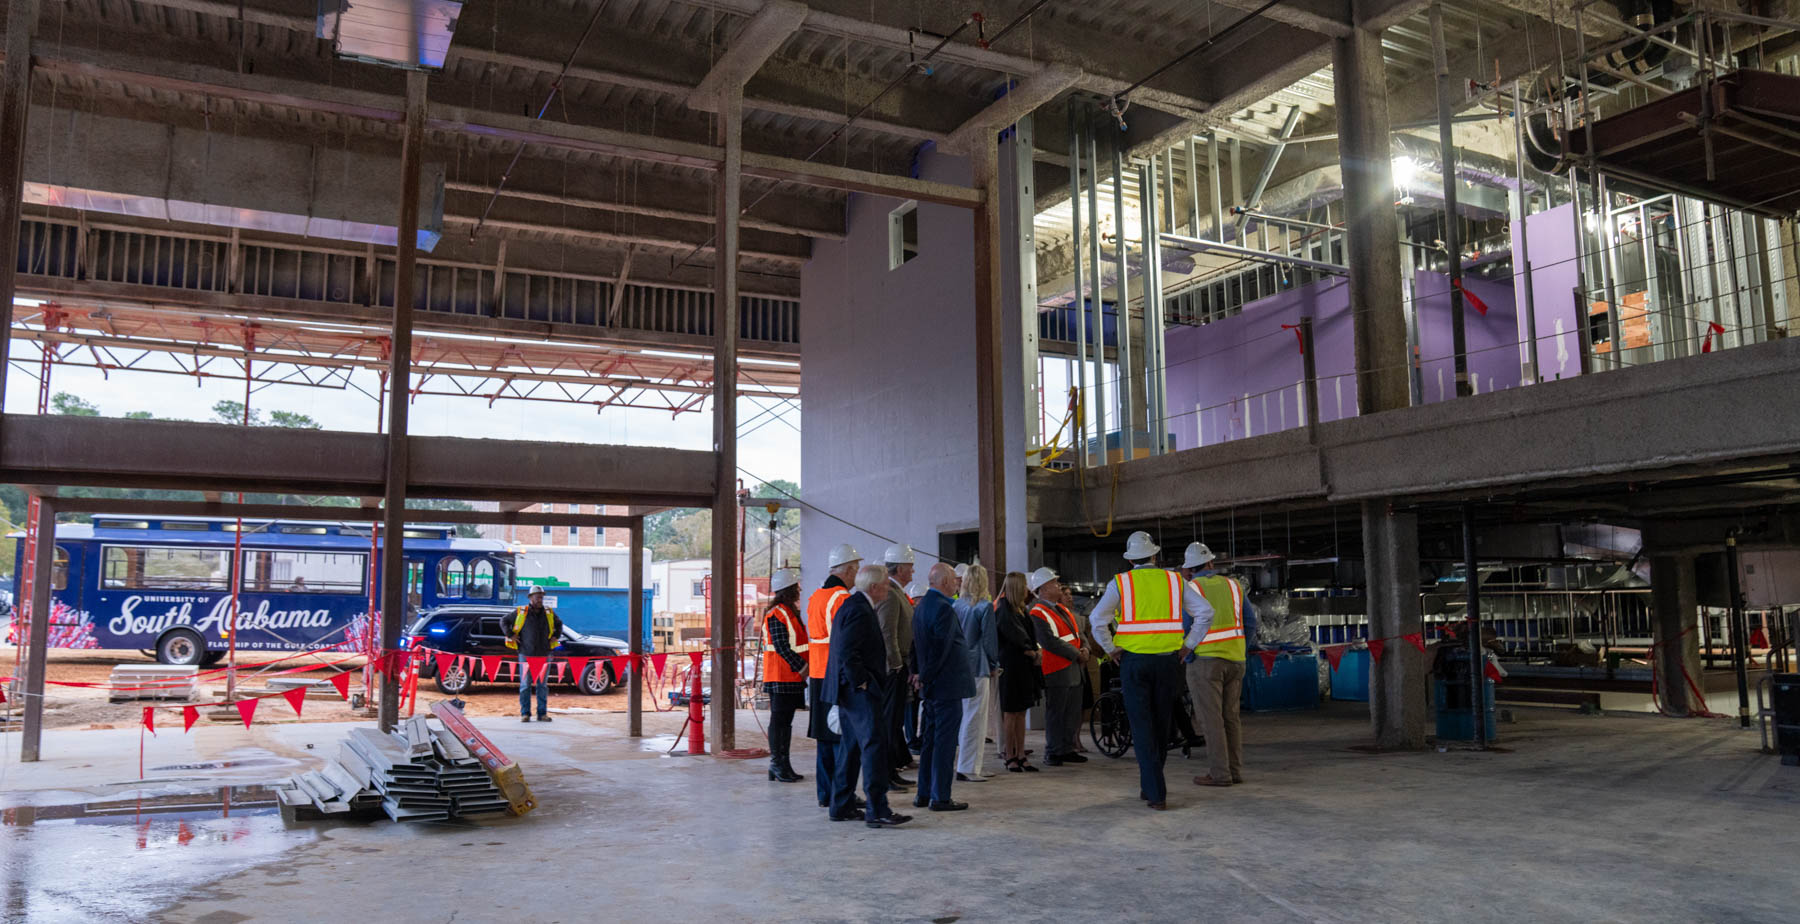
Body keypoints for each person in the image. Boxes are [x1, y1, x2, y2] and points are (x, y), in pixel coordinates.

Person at [1086, 531, 1212, 810]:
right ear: (1155, 555)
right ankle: (1150, 786)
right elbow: (1206, 613)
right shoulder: (1175, 580)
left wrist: (1110, 648)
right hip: (1168, 662)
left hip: (1133, 663)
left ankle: (1155, 792)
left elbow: (1097, 619)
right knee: (1161, 724)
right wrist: (1188, 645)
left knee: (1142, 726)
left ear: (1131, 560)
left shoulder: (1121, 583)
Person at [821, 564, 912, 829]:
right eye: (885, 584)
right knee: (873, 745)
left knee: (851, 748)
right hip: (858, 691)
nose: (888, 588)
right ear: (874, 587)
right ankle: (877, 809)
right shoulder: (859, 609)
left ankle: (842, 805)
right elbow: (848, 652)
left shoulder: (855, 605)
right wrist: (860, 682)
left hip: (850, 691)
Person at [1180, 542, 1256, 788]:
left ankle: (1220, 773)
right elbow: (1251, 622)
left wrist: (1189, 658)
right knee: (1231, 718)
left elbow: (1187, 626)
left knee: (1211, 720)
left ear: (1189, 569)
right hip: (1236, 660)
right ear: (1211, 563)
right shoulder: (1234, 586)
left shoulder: (1191, 588)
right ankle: (1235, 771)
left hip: (1206, 662)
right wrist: (1240, 648)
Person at [909, 562, 973, 811]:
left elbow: (915, 645)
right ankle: (941, 797)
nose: (957, 584)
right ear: (945, 582)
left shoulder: (923, 605)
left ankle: (923, 793)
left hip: (933, 685)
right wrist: (925, 675)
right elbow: (941, 649)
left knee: (929, 741)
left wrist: (918, 673)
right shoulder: (944, 608)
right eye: (955, 580)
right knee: (945, 744)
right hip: (946, 685)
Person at [807, 544, 863, 813]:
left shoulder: (816, 596)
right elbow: (845, 642)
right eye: (856, 570)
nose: (857, 576)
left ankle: (825, 792)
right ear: (848, 570)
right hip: (835, 674)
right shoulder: (841, 598)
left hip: (818, 674)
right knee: (842, 739)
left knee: (825, 738)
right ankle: (842, 794)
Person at [1027, 567, 1088, 767]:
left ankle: (1066, 748)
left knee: (1071, 712)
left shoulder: (1062, 609)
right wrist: (1077, 654)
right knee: (1056, 713)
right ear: (1042, 589)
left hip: (1073, 669)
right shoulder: (1037, 613)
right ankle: (1053, 751)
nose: (1058, 585)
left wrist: (1085, 648)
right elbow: (1049, 641)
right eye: (1053, 583)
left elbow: (1079, 634)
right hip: (1057, 669)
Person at [875, 544, 917, 788]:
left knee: (895, 722)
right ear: (900, 569)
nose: (913, 572)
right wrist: (897, 665)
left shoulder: (896, 592)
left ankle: (891, 770)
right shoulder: (890, 594)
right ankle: (887, 772)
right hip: (894, 669)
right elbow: (886, 632)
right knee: (890, 722)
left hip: (899, 666)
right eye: (910, 567)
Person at [762, 568, 808, 784]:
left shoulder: (787, 612)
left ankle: (782, 764)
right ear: (788, 590)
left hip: (789, 676)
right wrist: (802, 667)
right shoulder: (778, 613)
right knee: (780, 722)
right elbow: (781, 645)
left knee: (785, 722)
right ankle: (777, 764)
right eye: (796, 588)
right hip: (781, 675)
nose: (799, 591)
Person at [953, 563, 999, 783]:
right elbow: (990, 641)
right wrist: (994, 664)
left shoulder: (956, 606)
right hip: (979, 666)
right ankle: (969, 767)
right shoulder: (984, 607)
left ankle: (969, 764)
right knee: (976, 718)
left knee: (964, 717)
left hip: (959, 666)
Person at [994, 570, 1043, 773]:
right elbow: (1017, 637)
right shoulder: (1004, 610)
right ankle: (1010, 754)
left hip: (1023, 666)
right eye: (1024, 586)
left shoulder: (1021, 610)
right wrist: (1032, 652)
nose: (1027, 590)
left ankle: (1021, 753)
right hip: (1011, 666)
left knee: (1021, 711)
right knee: (1011, 713)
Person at [506, 585, 562, 723]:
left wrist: (556, 635)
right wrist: (510, 635)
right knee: (525, 685)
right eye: (537, 596)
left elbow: (559, 624)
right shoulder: (521, 612)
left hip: (545, 654)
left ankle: (542, 714)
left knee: (542, 685)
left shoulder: (549, 612)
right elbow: (504, 621)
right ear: (530, 598)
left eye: (541, 596)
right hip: (526, 653)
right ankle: (525, 714)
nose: (540, 599)